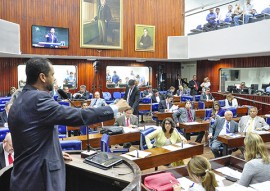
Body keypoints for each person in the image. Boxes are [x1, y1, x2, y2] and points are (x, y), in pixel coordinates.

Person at [8, 57, 129, 191]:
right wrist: (114, 108)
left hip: (22, 177)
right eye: (52, 74)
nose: (54, 79)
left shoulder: (18, 100)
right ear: (42, 77)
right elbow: (79, 116)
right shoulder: (38, 99)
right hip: (39, 179)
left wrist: (55, 152)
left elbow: (33, 138)